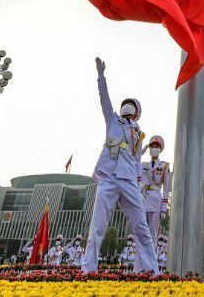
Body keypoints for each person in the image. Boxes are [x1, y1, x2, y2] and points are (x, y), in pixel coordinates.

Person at [81, 57, 158, 275]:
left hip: (129, 182)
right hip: (109, 179)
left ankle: (152, 271)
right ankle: (88, 270)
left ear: (136, 113)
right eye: (127, 103)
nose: (127, 106)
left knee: (141, 227)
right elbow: (103, 98)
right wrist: (101, 75)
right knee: (97, 227)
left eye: (132, 105)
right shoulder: (112, 120)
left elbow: (135, 161)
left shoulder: (138, 133)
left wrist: (139, 187)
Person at [140, 135, 171, 249]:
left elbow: (166, 188)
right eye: (152, 146)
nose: (154, 148)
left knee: (152, 233)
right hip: (144, 198)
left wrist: (164, 207)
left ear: (160, 149)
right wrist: (142, 150)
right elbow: (133, 159)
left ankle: (151, 263)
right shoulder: (143, 165)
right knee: (142, 231)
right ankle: (141, 262)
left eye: (156, 147)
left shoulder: (164, 166)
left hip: (157, 199)